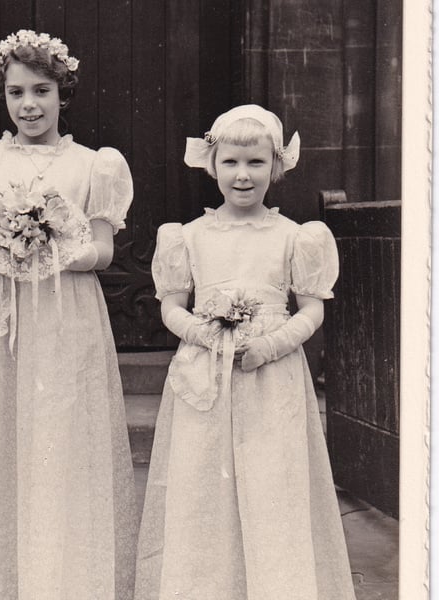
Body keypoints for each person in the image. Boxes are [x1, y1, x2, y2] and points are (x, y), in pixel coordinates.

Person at [0, 30, 138, 600]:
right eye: (17, 92)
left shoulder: (94, 166)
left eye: (42, 90)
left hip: (66, 312)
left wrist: (55, 247)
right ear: (3, 94)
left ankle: (60, 576)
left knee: (61, 434)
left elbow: (103, 251)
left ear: (63, 93)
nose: (30, 105)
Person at [134, 104, 356, 599]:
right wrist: (205, 335)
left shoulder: (296, 237)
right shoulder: (186, 237)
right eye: (231, 162)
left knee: (272, 484)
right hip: (205, 375)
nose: (242, 175)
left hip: (270, 376)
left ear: (276, 167)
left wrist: (270, 344)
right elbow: (171, 307)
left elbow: (312, 310)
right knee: (202, 486)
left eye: (256, 163)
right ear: (211, 163)